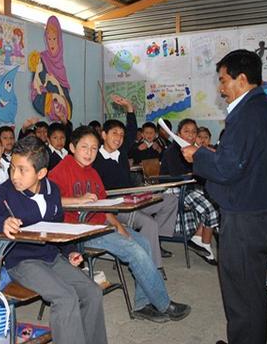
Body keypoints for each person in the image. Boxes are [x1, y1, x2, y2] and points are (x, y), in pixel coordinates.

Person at [182, 49, 267, 344]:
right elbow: (241, 160)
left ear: (241, 79)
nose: (220, 88)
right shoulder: (262, 109)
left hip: (244, 216)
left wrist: (197, 155)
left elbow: (228, 169)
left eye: (223, 80)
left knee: (241, 292)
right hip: (256, 212)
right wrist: (214, 155)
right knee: (250, 288)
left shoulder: (247, 114)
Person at [49, 126, 191, 324]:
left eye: (93, 148)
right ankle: (164, 304)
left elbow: (105, 207)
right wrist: (77, 200)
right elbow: (48, 201)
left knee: (142, 242)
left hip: (101, 226)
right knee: (134, 250)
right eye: (84, 147)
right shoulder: (59, 171)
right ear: (72, 147)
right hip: (81, 232)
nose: (89, 153)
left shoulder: (92, 172)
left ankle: (142, 305)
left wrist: (120, 227)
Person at [0, 136, 107, 344]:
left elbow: (57, 227)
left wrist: (69, 250)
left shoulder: (52, 190)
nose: (14, 176)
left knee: (91, 291)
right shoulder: (6, 191)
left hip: (51, 257)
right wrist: (2, 223)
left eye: (22, 170)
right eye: (12, 168)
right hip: (22, 261)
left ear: (41, 173)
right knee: (65, 297)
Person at [92, 95, 179, 266]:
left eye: (121, 135)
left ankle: (151, 243)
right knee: (149, 223)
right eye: (114, 133)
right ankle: (153, 266)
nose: (118, 138)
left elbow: (132, 130)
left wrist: (129, 107)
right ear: (103, 135)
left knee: (170, 200)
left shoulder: (122, 151)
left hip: (133, 199)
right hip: (115, 206)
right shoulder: (95, 158)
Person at [161, 118, 220, 265]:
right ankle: (205, 244)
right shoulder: (173, 150)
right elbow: (179, 176)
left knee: (218, 201)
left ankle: (198, 238)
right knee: (210, 209)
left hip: (189, 187)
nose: (191, 135)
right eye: (186, 131)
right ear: (178, 133)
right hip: (175, 189)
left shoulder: (194, 149)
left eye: (194, 132)